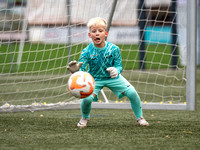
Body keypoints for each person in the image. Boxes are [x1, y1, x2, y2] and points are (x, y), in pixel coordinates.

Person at [67, 17, 149, 127]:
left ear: (106, 33)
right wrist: (76, 71)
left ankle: (140, 118)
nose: (97, 34)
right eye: (94, 31)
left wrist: (116, 70)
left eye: (100, 31)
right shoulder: (86, 51)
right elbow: (82, 71)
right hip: (94, 79)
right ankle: (84, 118)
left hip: (113, 78)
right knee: (86, 99)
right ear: (89, 35)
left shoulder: (114, 49)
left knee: (132, 93)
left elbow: (119, 65)